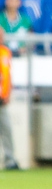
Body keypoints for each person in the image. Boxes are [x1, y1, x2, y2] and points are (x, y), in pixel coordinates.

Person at [0, 29, 16, 170]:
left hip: (2, 99)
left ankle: (10, 160)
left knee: (6, 130)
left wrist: (8, 93)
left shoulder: (5, 52)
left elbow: (8, 75)